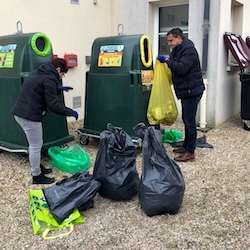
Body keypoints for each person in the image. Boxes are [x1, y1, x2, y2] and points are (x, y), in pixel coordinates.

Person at [11, 58, 78, 184]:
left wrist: (58, 89)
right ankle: (37, 176)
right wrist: (70, 112)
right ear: (58, 69)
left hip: (20, 112)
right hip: (29, 116)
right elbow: (53, 105)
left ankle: (37, 167)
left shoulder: (39, 72)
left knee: (34, 145)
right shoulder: (50, 78)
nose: (62, 76)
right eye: (62, 74)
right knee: (36, 146)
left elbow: (41, 88)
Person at [157, 28, 205, 162]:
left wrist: (167, 60)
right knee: (186, 119)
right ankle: (186, 146)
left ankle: (190, 152)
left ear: (179, 38)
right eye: (168, 41)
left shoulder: (188, 50)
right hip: (186, 91)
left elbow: (182, 68)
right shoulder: (177, 50)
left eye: (171, 40)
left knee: (189, 121)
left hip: (192, 91)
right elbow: (173, 64)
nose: (169, 44)